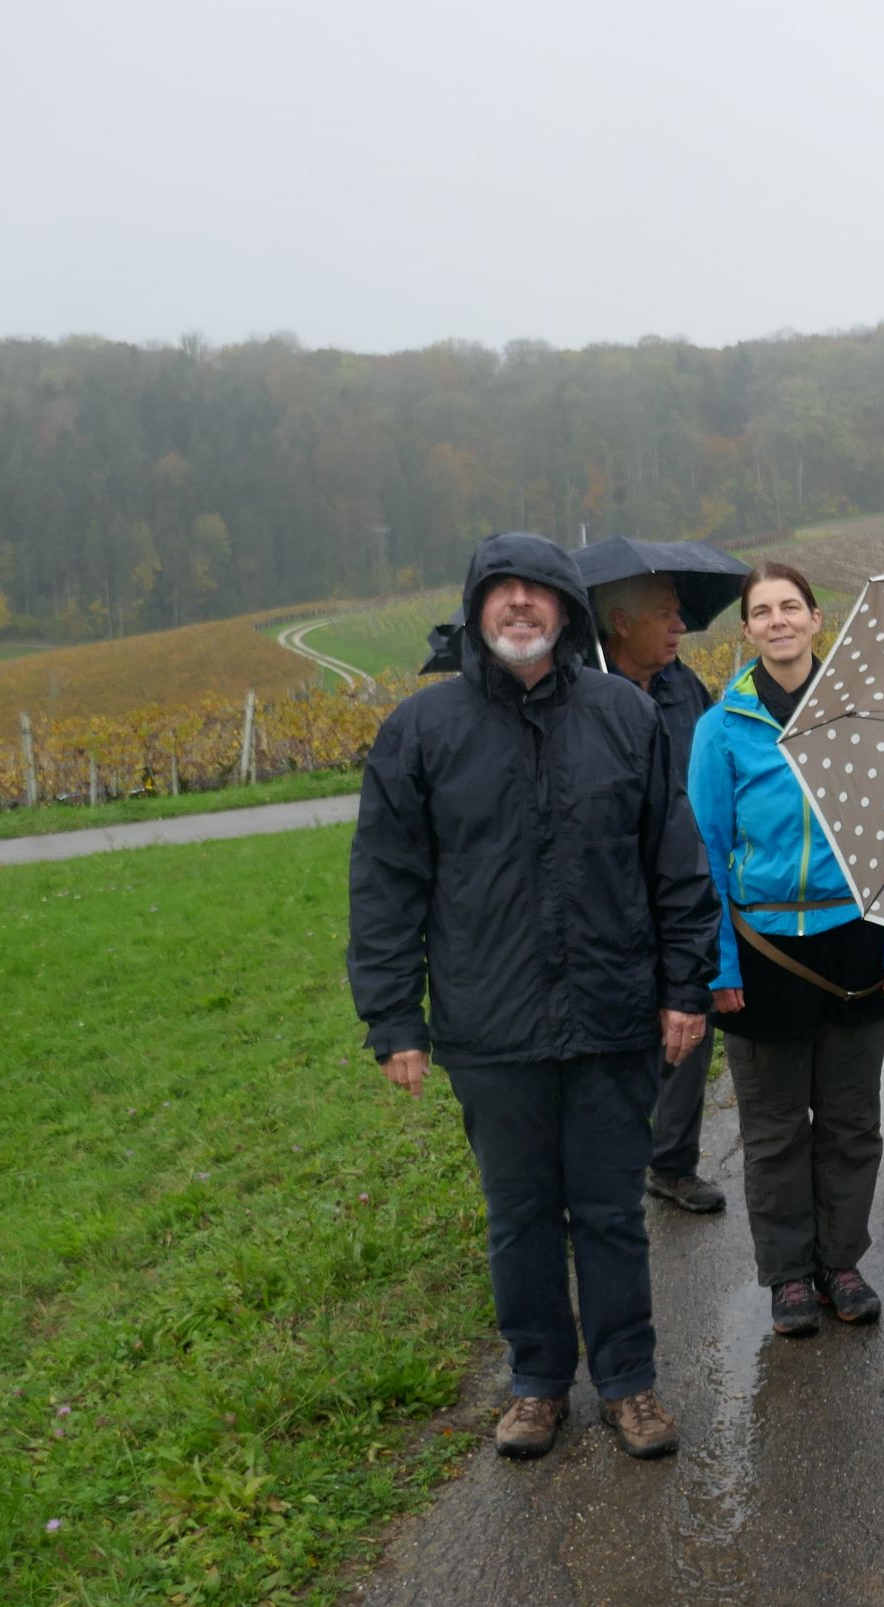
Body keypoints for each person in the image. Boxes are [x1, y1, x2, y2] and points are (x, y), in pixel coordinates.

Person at [347, 532, 715, 1463]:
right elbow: (386, 883)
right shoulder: (422, 731)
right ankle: (538, 1383)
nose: (520, 604)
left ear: (567, 609)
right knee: (519, 1218)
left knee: (610, 1213)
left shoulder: (624, 716)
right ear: (476, 608)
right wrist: (394, 1017)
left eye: (538, 590)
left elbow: (674, 861)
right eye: (501, 590)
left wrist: (684, 985)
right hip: (490, 1027)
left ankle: (628, 1383)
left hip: (611, 1015)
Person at [688, 562, 884, 1338]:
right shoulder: (722, 729)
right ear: (748, 630)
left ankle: (841, 1262)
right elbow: (705, 851)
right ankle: (788, 1274)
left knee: (852, 1122)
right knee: (775, 1130)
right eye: (763, 611)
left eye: (791, 606)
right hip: (761, 950)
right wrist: (718, 963)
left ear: (817, 620)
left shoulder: (858, 715)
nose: (779, 621)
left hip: (853, 940)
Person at [593, 568, 729, 1216]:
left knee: (688, 1015)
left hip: (682, 880)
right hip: (613, 890)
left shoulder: (683, 687)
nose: (680, 626)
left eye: (680, 612)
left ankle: (672, 1165)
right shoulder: (584, 695)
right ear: (620, 623)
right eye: (664, 614)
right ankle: (603, 1174)